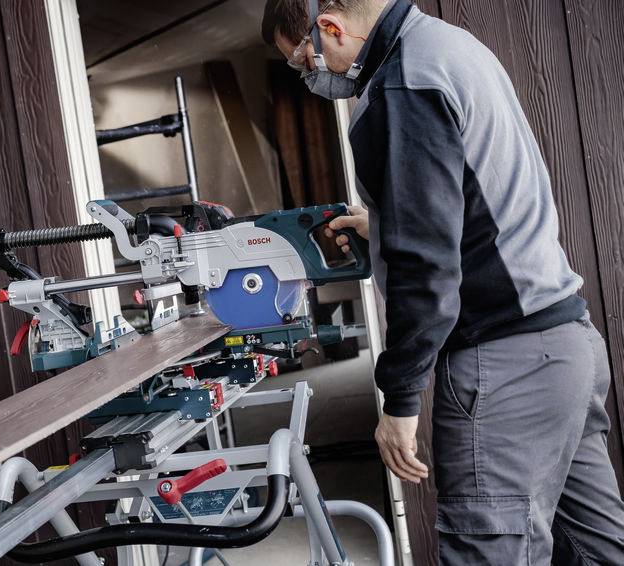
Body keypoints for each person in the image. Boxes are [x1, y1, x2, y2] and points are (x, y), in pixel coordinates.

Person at [261, 0, 624, 564]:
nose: (312, 77)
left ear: (329, 28)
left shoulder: (401, 87)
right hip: (565, 345)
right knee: (601, 553)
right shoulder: (450, 48)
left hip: (505, 367)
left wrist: (400, 399)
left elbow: (424, 264)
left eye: (304, 62)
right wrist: (385, 224)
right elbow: (468, 202)